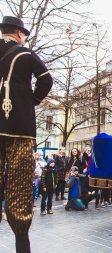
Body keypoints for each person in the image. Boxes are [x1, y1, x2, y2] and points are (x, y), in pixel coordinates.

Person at [0, 16, 53, 252]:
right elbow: (46, 80)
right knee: (20, 187)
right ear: (20, 34)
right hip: (18, 128)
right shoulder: (25, 54)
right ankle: (22, 244)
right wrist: (31, 101)